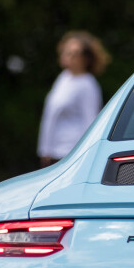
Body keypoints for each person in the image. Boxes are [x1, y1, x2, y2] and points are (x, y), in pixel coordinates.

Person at [37, 31, 109, 167]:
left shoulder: (87, 84)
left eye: (74, 53)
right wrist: (45, 149)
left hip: (70, 154)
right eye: (66, 51)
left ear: (85, 59)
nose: (68, 56)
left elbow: (90, 122)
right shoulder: (63, 77)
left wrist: (85, 155)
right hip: (54, 153)